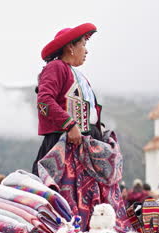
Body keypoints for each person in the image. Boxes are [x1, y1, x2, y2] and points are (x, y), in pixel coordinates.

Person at [32, 23, 103, 175]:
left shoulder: (77, 75)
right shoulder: (56, 67)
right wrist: (69, 125)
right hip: (65, 141)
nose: (87, 51)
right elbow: (44, 101)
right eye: (83, 44)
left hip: (83, 141)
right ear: (70, 47)